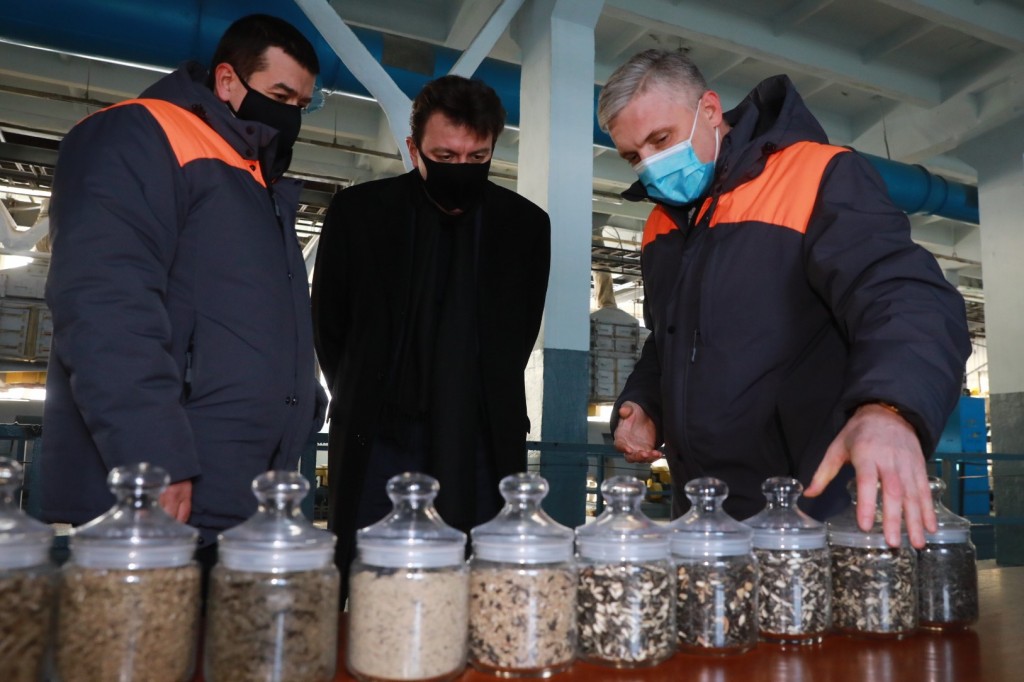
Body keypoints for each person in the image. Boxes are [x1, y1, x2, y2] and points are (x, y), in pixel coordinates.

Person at [598, 49, 971, 548]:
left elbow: (905, 294)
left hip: (813, 508)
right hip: (706, 513)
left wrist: (890, 407)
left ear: (709, 109)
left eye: (660, 139)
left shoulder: (817, 175)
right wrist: (645, 401)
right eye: (632, 156)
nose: (650, 165)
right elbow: (670, 339)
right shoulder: (661, 225)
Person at [41, 14, 327, 557]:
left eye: (301, 104)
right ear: (227, 81)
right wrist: (153, 458)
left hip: (244, 487)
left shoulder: (254, 179)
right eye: (280, 96)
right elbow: (105, 305)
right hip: (167, 487)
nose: (290, 114)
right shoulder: (140, 134)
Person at [312, 75, 551, 601]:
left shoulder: (525, 227)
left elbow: (518, 336)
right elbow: (330, 326)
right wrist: (363, 392)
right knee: (372, 584)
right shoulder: (359, 214)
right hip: (379, 439)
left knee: (477, 586)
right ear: (413, 147)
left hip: (482, 443)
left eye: (477, 157)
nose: (461, 167)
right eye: (445, 156)